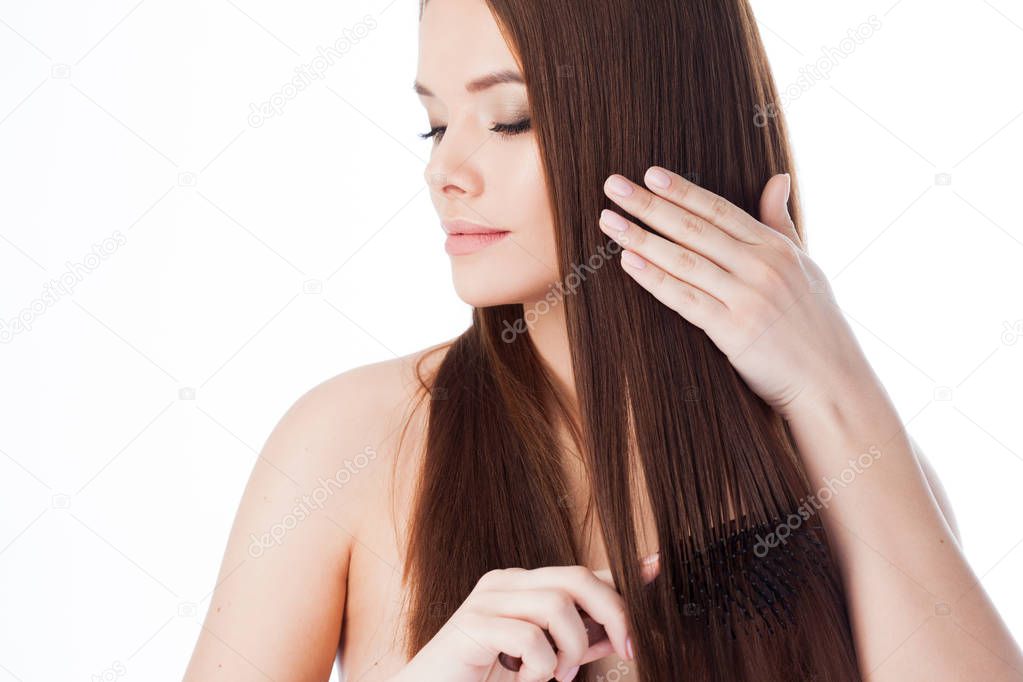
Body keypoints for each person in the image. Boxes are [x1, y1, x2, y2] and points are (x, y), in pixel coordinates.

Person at [184, 0, 1021, 680]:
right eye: (434, 127)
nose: (444, 172)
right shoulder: (351, 441)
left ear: (651, 125)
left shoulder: (841, 458)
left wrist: (832, 383)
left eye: (509, 121)